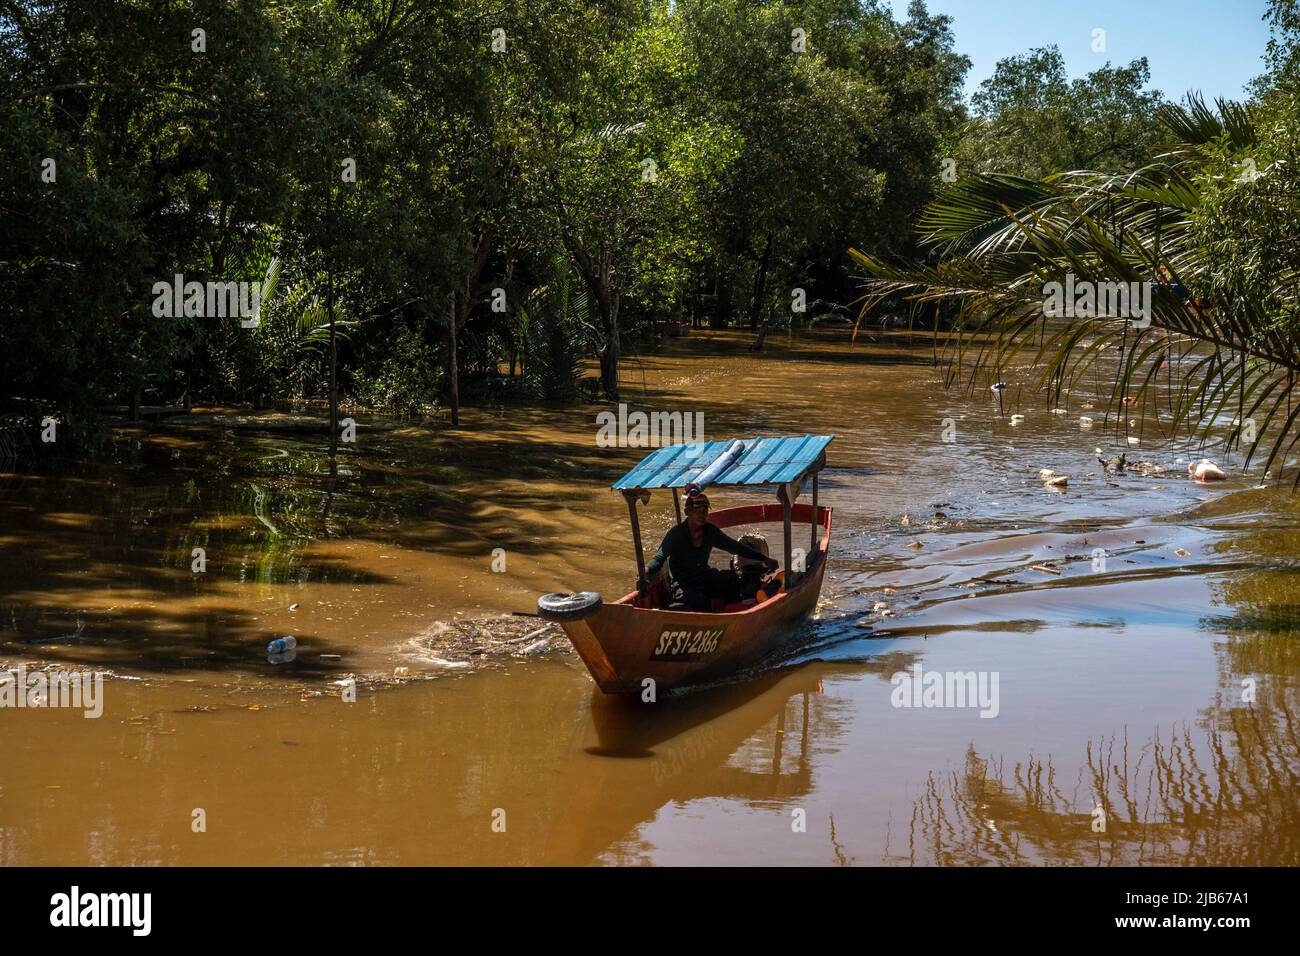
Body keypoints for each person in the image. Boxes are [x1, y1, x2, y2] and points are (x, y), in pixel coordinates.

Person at [640, 486, 778, 611]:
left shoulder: (710, 531)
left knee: (732, 579)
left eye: (705, 510)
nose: (703, 514)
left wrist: (764, 558)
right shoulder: (676, 534)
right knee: (696, 599)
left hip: (704, 576)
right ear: (688, 512)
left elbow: (735, 547)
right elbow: (659, 558)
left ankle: (731, 615)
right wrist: (645, 570)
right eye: (698, 511)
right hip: (683, 582)